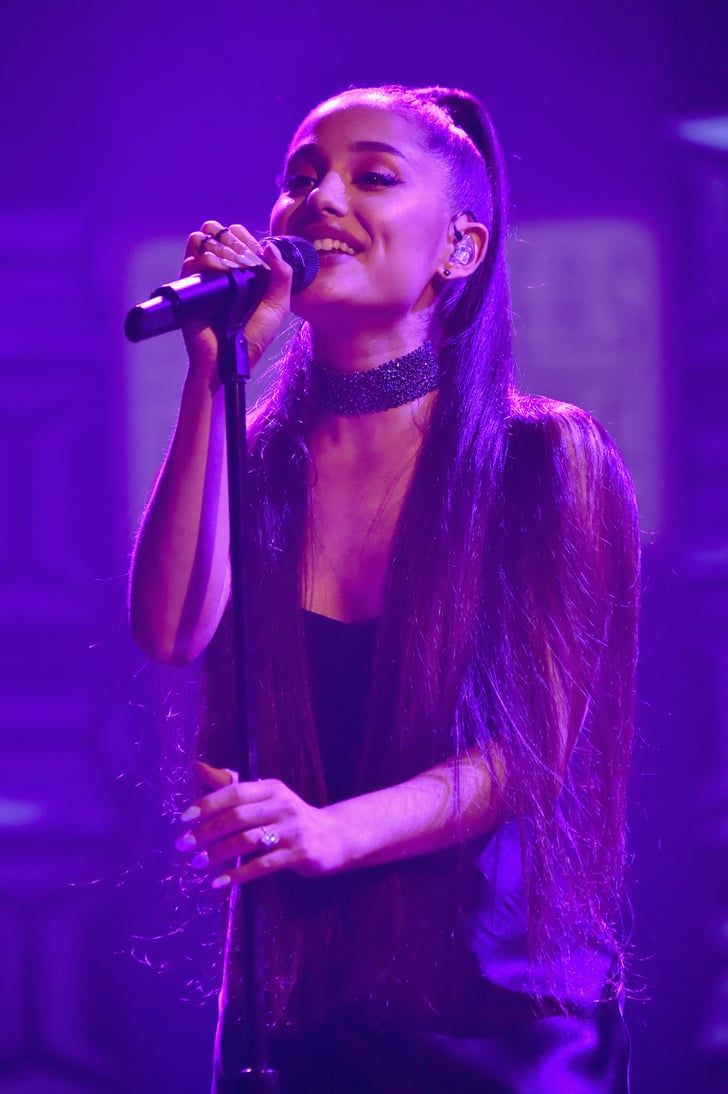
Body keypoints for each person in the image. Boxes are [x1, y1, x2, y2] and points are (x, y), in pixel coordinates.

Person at [128, 84, 640, 1093]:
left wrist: (327, 831)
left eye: (370, 176)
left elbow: (529, 749)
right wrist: (214, 370)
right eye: (300, 175)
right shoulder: (260, 462)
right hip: (298, 1015)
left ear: (458, 249)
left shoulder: (546, 458)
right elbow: (172, 628)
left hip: (498, 1018)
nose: (317, 195)